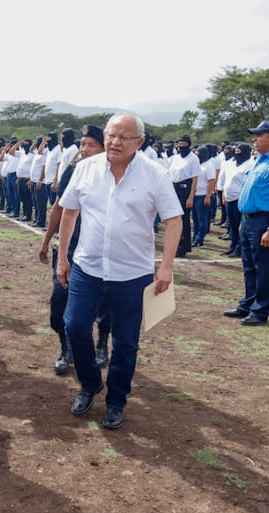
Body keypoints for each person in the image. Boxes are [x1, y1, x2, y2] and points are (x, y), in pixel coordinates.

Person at [56, 114, 183, 430]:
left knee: (125, 343)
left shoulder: (154, 174)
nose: (114, 142)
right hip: (88, 267)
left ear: (139, 142)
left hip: (133, 273)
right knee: (74, 326)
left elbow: (174, 220)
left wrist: (166, 266)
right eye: (111, 135)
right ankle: (89, 383)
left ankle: (116, 402)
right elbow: (69, 212)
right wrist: (62, 258)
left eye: (123, 137)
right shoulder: (85, 168)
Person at [39, 125, 111, 375]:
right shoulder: (73, 170)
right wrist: (48, 239)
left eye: (91, 145)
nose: (85, 150)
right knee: (59, 300)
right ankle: (65, 346)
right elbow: (59, 207)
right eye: (82, 145)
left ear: (104, 147)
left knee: (105, 302)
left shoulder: (114, 174)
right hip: (71, 246)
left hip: (101, 249)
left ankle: (102, 343)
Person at [223, 120, 269, 326]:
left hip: (263, 221)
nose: (254, 139)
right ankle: (248, 304)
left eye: (259, 135)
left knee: (263, 268)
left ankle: (260, 310)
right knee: (249, 266)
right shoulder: (258, 161)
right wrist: (244, 219)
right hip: (249, 220)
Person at [169, 135, 200, 257]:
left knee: (183, 219)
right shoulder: (175, 158)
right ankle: (175, 243)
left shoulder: (193, 159)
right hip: (174, 187)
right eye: (179, 145)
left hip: (185, 188)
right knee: (174, 218)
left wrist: (191, 197)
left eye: (183, 145)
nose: (181, 147)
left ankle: (183, 246)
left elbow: (195, 178)